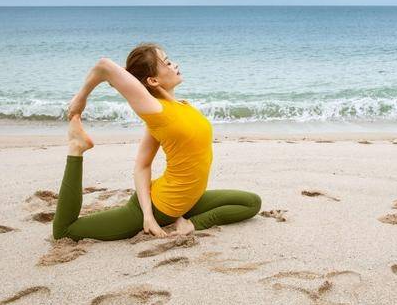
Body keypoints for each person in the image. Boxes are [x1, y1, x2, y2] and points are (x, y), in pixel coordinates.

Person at [52, 42, 262, 241]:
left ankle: (188, 223)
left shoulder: (181, 107)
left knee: (251, 203)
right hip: (162, 206)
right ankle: (76, 148)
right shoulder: (155, 110)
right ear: (153, 80)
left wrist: (194, 223)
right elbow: (104, 66)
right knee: (65, 231)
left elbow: (143, 165)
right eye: (167, 62)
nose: (175, 64)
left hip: (187, 202)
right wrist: (147, 215)